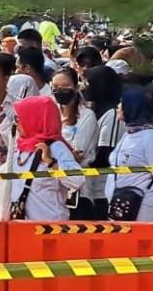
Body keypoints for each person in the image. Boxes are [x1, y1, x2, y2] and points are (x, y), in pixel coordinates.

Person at [10, 95, 84, 220]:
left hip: (50, 229)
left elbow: (78, 180)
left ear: (34, 118)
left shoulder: (56, 148)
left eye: (19, 118)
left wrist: (51, 163)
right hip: (22, 228)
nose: (16, 124)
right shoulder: (20, 147)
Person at [106, 88, 153, 221]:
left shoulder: (152, 137)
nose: (118, 107)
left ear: (133, 106)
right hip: (121, 207)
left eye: (122, 103)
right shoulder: (128, 134)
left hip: (144, 209)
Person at [52, 68, 98, 219]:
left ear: (76, 87)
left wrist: (52, 151)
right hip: (55, 188)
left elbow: (78, 154)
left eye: (65, 87)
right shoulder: (51, 112)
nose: (60, 91)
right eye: (56, 88)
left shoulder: (86, 116)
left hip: (80, 190)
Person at [86, 65, 125, 218]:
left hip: (103, 189)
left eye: (89, 83)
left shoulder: (112, 114)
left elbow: (106, 152)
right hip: (90, 186)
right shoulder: (93, 110)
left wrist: (82, 161)